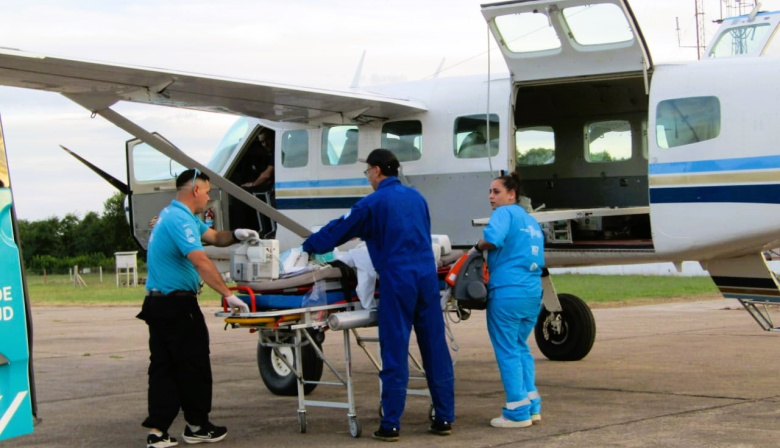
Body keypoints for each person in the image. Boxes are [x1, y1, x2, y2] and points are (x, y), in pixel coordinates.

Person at [301, 149, 455, 442]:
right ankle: (444, 417)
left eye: (367, 172)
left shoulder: (371, 204)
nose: (368, 177)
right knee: (435, 348)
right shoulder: (417, 198)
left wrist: (308, 245)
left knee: (395, 350)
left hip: (398, 281)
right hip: (426, 278)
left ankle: (391, 424)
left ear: (375, 171)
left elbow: (337, 231)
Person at [137, 168, 258, 448]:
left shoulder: (176, 215)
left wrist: (238, 234)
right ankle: (197, 426)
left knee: (163, 367)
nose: (208, 197)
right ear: (195, 190)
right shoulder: (181, 221)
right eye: (206, 191)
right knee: (194, 365)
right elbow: (201, 260)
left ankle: (158, 431)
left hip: (158, 303)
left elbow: (215, 238)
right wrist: (228, 294)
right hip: (177, 305)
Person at [471, 172, 545, 428]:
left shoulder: (504, 213)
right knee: (520, 346)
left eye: (496, 191)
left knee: (507, 350)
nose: (491, 197)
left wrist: (476, 246)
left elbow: (492, 239)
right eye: (490, 192)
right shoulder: (530, 220)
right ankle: (532, 406)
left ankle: (516, 411)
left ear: (511, 194)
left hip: (508, 292)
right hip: (532, 292)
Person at [230, 128, 276, 236]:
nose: (265, 144)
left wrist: (252, 184)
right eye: (262, 142)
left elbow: (266, 175)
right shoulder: (271, 155)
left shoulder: (277, 153)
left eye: (267, 140)